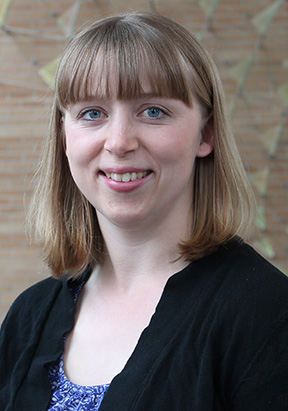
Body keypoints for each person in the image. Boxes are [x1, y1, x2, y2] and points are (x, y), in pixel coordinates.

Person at [0, 12, 288, 411]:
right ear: (65, 137)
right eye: (92, 113)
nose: (118, 142)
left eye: (152, 111)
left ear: (206, 135)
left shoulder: (266, 314)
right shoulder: (27, 317)